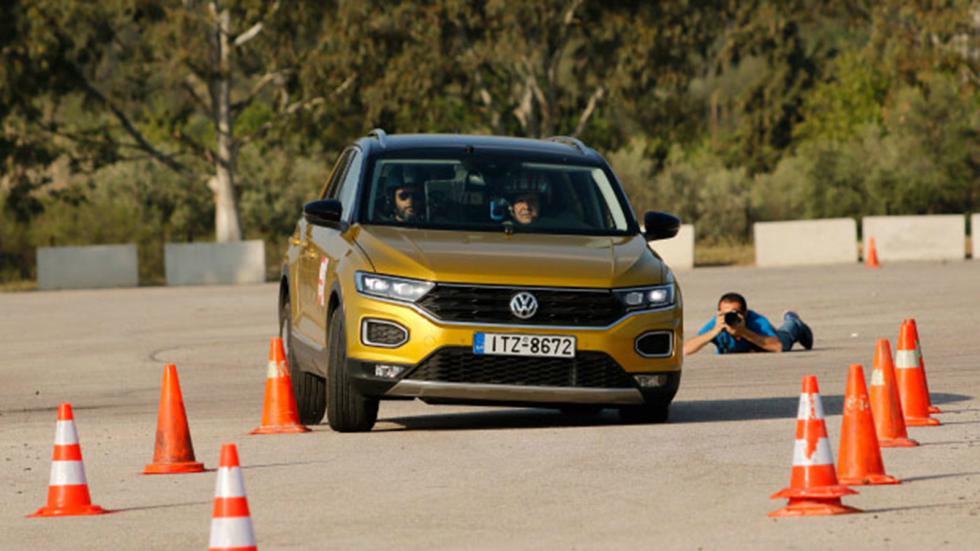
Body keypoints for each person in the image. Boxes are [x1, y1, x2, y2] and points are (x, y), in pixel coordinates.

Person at [683, 292, 813, 355]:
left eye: (735, 313)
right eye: (725, 313)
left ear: (745, 313)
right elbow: (685, 350)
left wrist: (743, 332)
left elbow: (777, 347)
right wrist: (713, 332)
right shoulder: (718, 323)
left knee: (787, 334)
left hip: (770, 338)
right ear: (719, 313)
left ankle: (792, 320)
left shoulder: (756, 321)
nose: (730, 317)